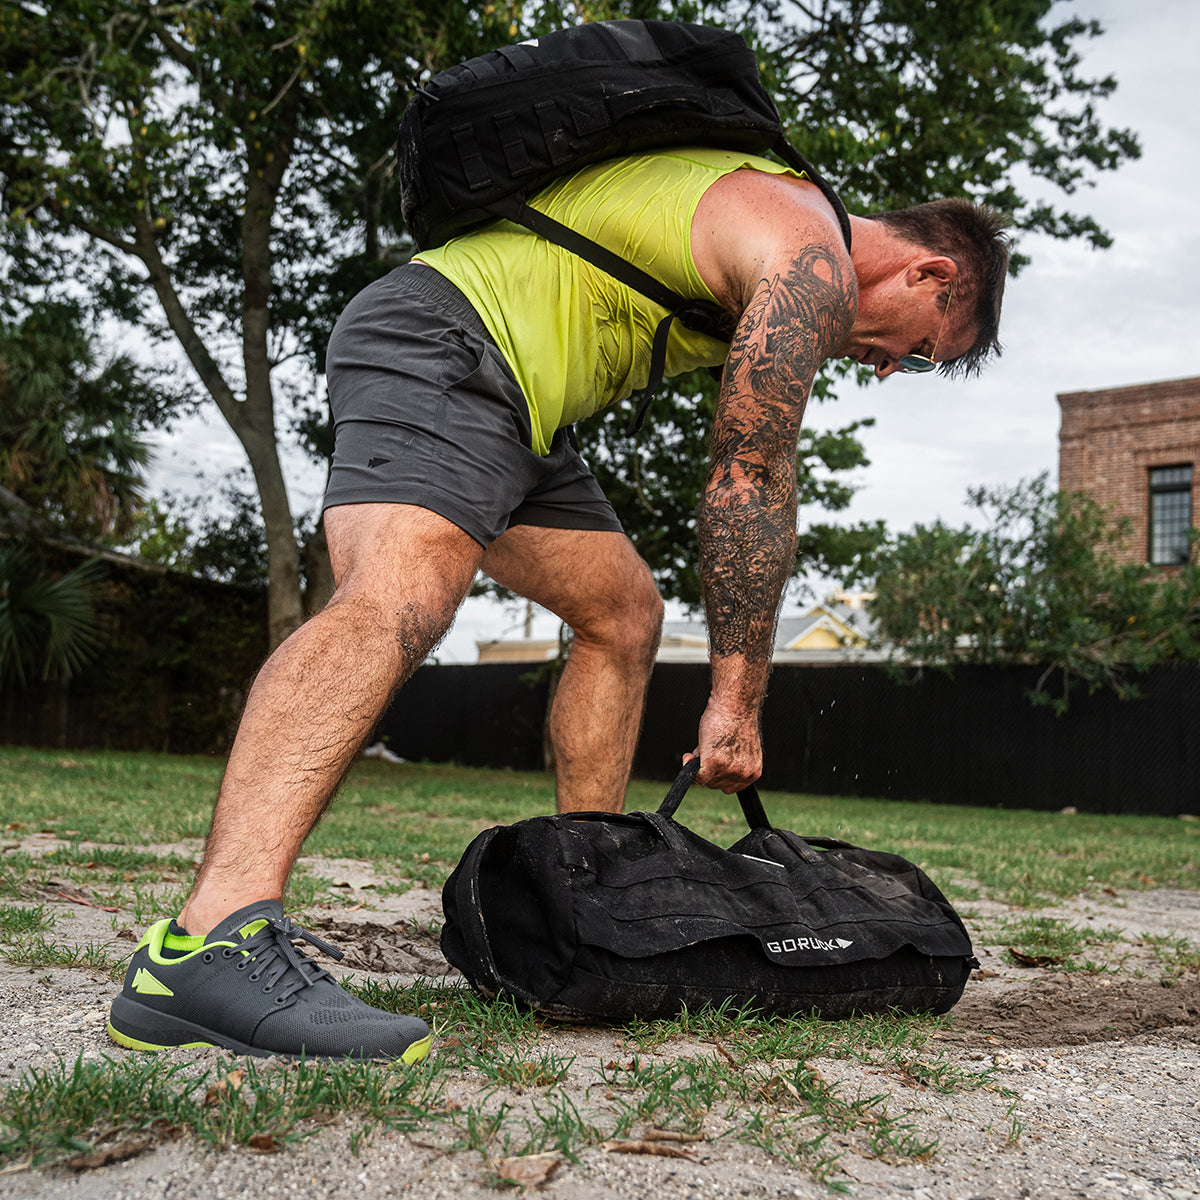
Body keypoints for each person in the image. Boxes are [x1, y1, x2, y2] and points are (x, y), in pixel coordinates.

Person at [106, 146, 1010, 1062]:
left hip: (522, 411)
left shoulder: (775, 228)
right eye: (925, 350)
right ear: (927, 272)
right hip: (448, 340)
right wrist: (736, 700)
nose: (894, 368)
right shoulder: (808, 249)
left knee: (624, 615)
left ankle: (590, 906)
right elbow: (751, 474)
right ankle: (206, 944)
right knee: (400, 599)